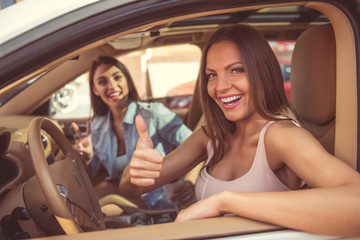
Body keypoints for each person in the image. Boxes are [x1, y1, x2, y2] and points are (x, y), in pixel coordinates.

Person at [119, 24, 360, 237]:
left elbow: (355, 202)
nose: (221, 86)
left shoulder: (281, 136)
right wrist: (135, 169)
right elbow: (131, 190)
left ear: (262, 74)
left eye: (236, 70)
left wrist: (225, 202)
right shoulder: (210, 136)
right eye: (211, 75)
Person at [72, 56, 193, 210]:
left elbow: (196, 146)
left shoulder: (154, 113)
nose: (113, 86)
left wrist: (189, 181)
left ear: (127, 81)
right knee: (83, 206)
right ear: (95, 90)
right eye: (103, 82)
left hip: (160, 200)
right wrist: (86, 158)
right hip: (126, 194)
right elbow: (91, 175)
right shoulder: (97, 125)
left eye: (117, 78)